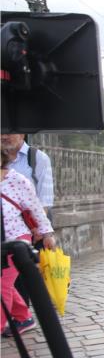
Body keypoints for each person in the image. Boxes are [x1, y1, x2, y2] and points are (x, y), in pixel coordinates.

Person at [1, 144, 56, 337]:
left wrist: (47, 234)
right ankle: (23, 316)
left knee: (3, 284)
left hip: (17, 240)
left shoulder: (17, 180)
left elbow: (35, 208)